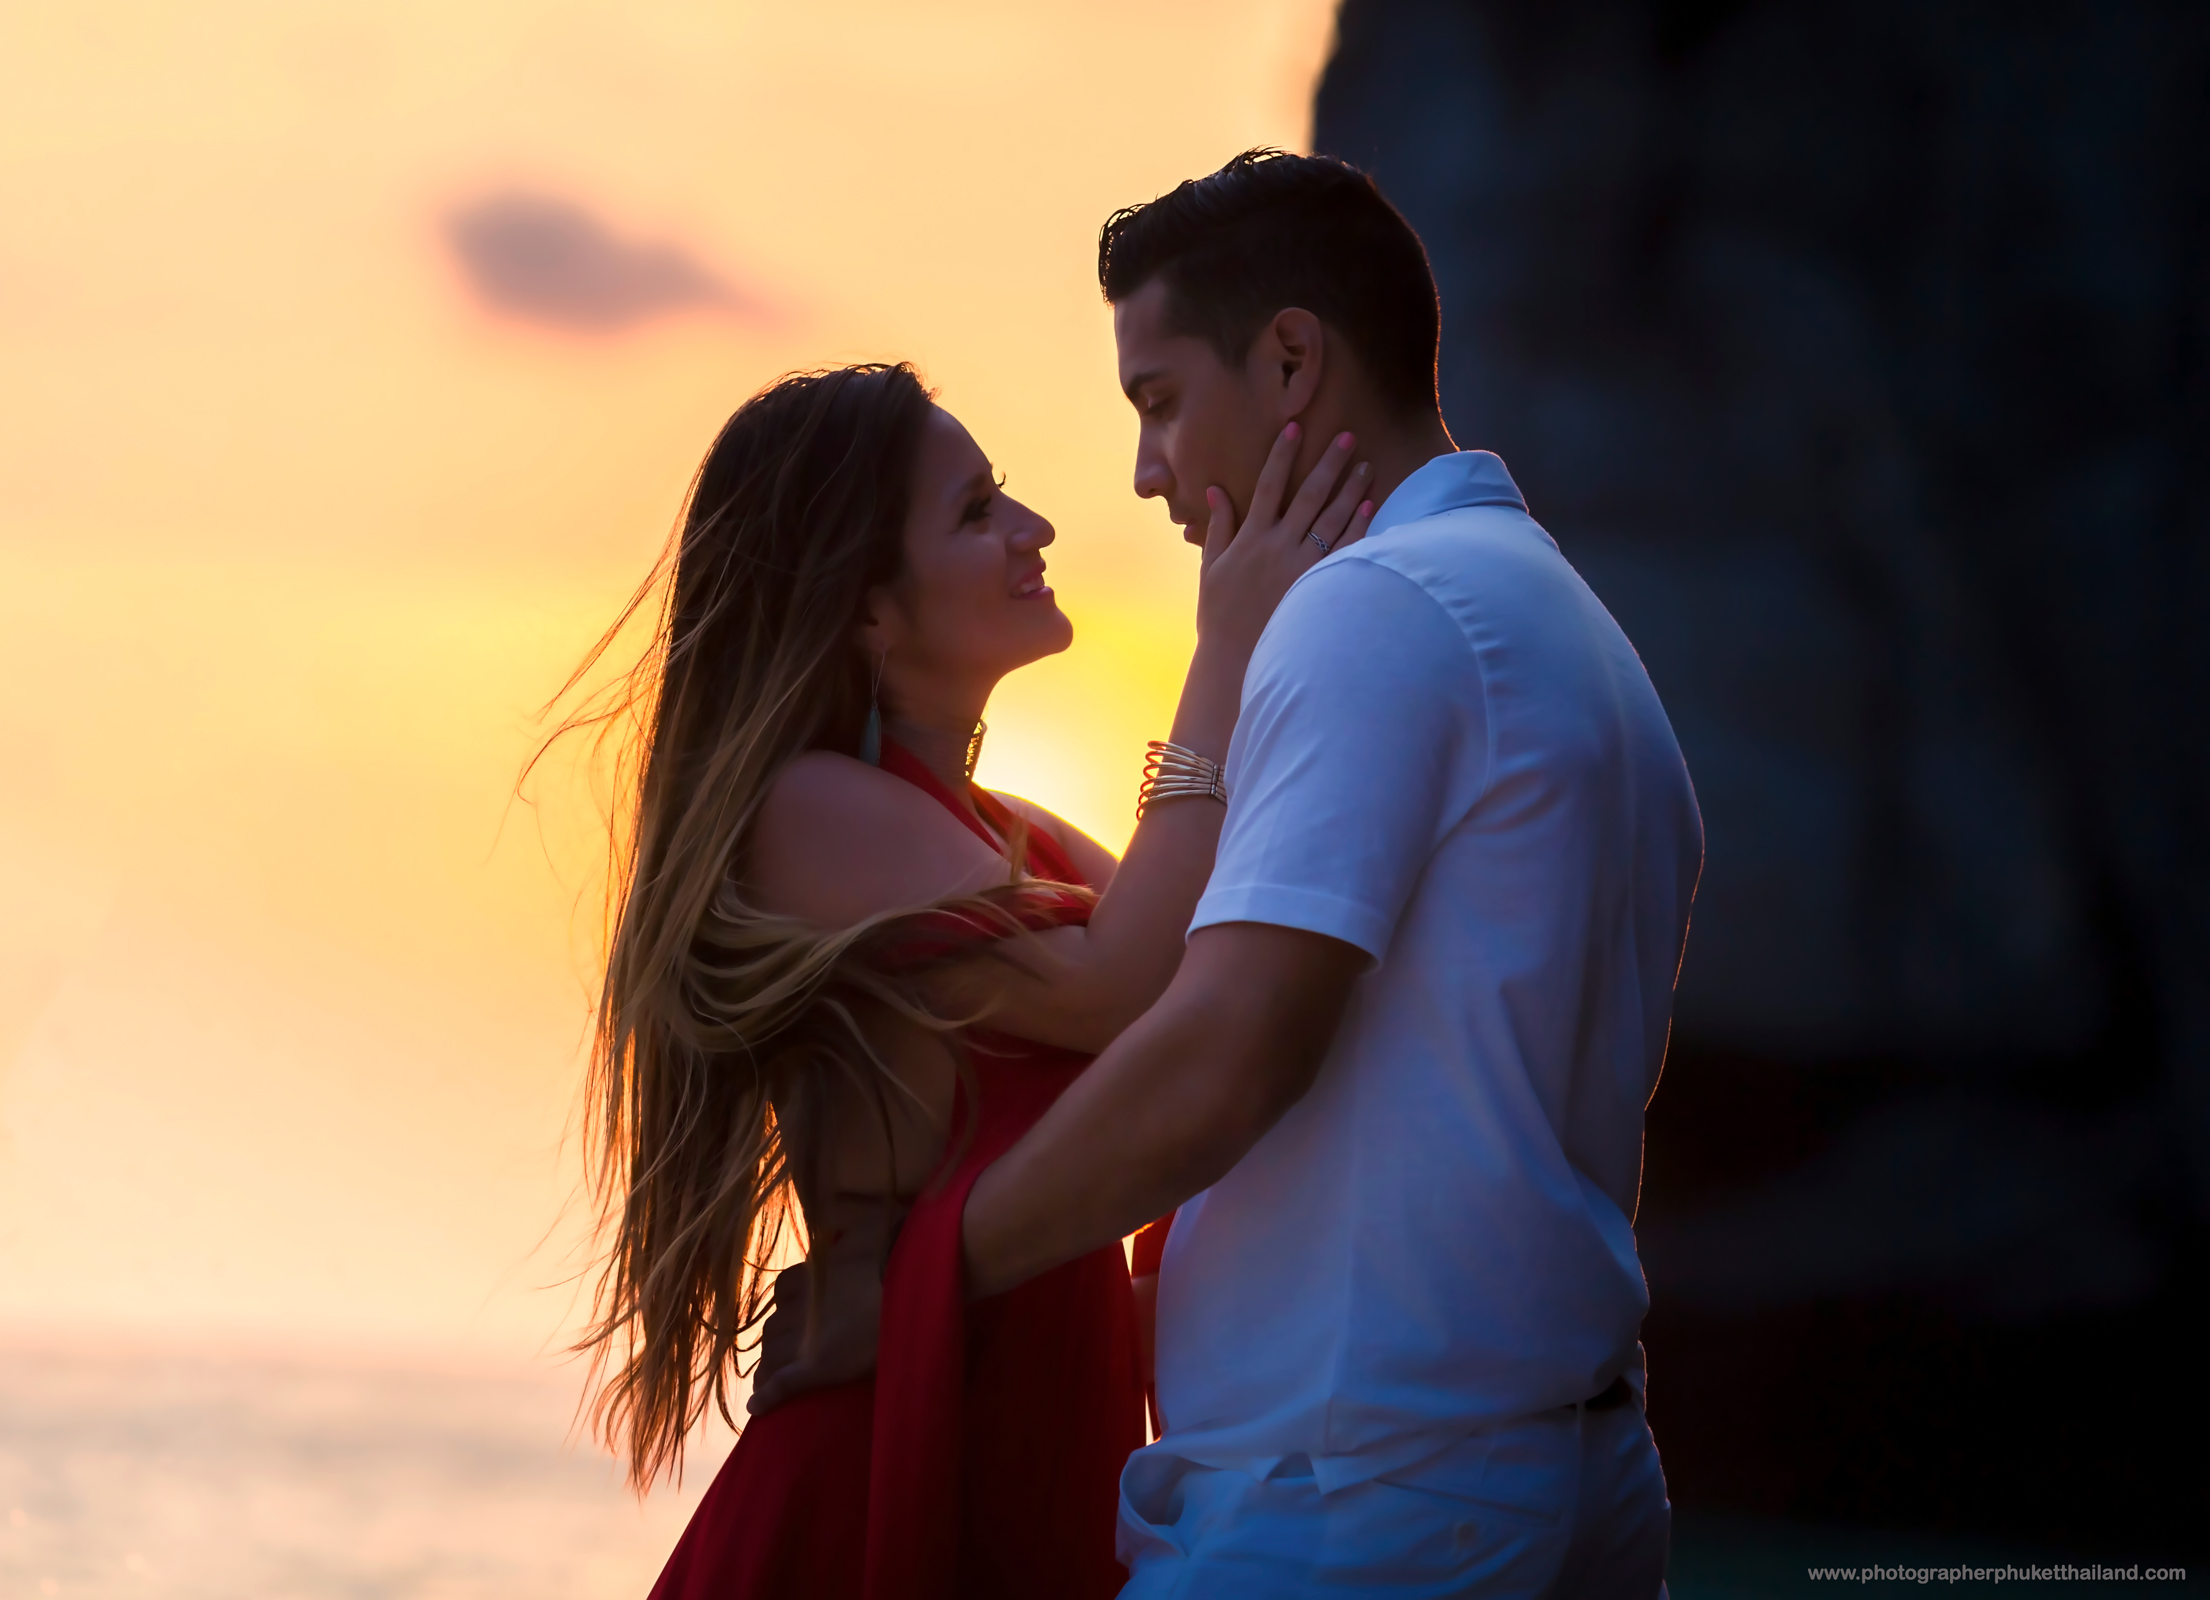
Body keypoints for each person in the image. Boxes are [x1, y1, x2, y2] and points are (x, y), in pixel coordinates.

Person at [759, 151, 1705, 1597]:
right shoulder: (1570, 628)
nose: (1146, 474)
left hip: (1363, 1502)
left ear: (1287, 362)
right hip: (1555, 1470)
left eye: (1159, 402)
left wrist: (913, 1283)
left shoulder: (1371, 612)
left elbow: (1225, 1048)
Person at [546, 359, 1375, 1600]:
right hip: (887, 1455)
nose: (1034, 529)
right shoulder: (805, 813)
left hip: (1026, 1421)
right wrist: (1226, 647)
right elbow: (1115, 987)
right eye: (978, 510)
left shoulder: (1014, 835)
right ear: (869, 612)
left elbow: (1218, 968)